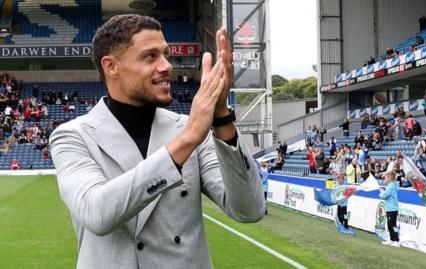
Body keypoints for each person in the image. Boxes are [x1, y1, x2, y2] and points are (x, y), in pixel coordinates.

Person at [49, 14, 265, 269]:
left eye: (165, 55)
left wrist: (221, 117)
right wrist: (186, 140)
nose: (167, 66)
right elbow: (97, 214)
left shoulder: (190, 129)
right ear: (111, 66)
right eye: (150, 56)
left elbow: (249, 210)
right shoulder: (72, 135)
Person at [379, 171, 400, 247]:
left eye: (385, 177)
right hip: (391, 208)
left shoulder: (391, 186)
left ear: (389, 177)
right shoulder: (392, 185)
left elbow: (384, 196)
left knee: (393, 225)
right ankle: (392, 239)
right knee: (390, 224)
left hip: (392, 208)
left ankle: (396, 240)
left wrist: (381, 192)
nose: (384, 178)